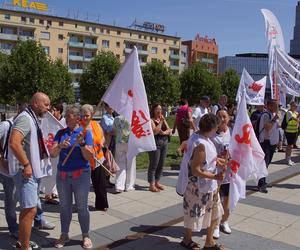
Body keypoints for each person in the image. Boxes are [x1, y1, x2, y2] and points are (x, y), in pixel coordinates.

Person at [9, 93, 53, 250]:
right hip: (26, 173)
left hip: (31, 172)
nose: (49, 108)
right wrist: (27, 165)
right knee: (30, 210)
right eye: (46, 104)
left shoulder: (32, 118)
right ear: (35, 103)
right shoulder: (25, 118)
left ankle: (22, 242)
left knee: (28, 209)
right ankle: (25, 247)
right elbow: (14, 142)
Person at [50, 105, 94, 249]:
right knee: (64, 207)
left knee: (82, 207)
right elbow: (52, 153)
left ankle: (86, 235)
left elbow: (88, 156)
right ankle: (64, 234)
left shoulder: (85, 133)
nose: (66, 117)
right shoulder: (60, 133)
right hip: (63, 176)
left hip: (81, 175)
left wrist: (81, 144)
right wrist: (60, 146)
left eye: (69, 115)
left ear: (77, 118)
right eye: (67, 114)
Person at [181, 113, 226, 250]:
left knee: (215, 212)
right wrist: (216, 177)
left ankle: (209, 241)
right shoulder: (200, 144)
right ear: (212, 128)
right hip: (198, 187)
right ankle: (187, 240)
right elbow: (196, 170)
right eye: (216, 127)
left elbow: (206, 160)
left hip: (208, 186)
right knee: (193, 214)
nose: (217, 130)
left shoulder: (201, 137)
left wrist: (217, 161)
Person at [81, 104, 108, 211]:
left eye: (87, 115)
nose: (85, 118)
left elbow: (102, 137)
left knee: (100, 184)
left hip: (98, 158)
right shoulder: (79, 127)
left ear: (92, 114)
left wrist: (101, 142)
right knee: (83, 186)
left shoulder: (96, 124)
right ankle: (82, 205)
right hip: (85, 160)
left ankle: (101, 204)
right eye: (83, 115)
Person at [212, 110, 232, 239]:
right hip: (216, 173)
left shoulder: (233, 132)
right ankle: (215, 225)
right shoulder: (212, 134)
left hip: (229, 173)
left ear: (229, 118)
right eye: (219, 116)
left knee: (227, 199)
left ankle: (224, 221)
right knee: (216, 200)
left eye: (224, 116)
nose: (222, 119)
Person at [148, 104, 171, 192]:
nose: (159, 111)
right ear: (153, 110)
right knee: (154, 164)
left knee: (161, 164)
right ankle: (151, 184)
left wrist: (164, 133)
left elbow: (169, 130)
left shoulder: (162, 119)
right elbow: (155, 131)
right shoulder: (151, 120)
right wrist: (161, 122)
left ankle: (157, 182)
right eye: (157, 109)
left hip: (164, 142)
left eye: (160, 109)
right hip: (155, 144)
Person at [257, 99, 279, 193]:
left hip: (271, 143)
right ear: (269, 106)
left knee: (266, 164)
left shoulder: (272, 115)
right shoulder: (266, 115)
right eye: (275, 105)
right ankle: (261, 184)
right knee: (264, 164)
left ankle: (262, 182)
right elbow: (267, 127)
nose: (277, 107)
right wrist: (274, 120)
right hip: (266, 143)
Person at [113, 114, 136, 192]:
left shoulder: (116, 118)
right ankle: (129, 185)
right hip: (130, 142)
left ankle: (119, 185)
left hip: (119, 142)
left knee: (120, 164)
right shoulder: (132, 117)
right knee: (131, 164)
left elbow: (114, 130)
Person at [283, 101, 299, 166]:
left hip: (294, 131)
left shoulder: (295, 112)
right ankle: (288, 159)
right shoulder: (289, 112)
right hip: (289, 131)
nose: (296, 107)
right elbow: (296, 119)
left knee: (289, 146)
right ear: (291, 106)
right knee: (290, 146)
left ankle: (287, 158)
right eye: (295, 106)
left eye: (296, 106)